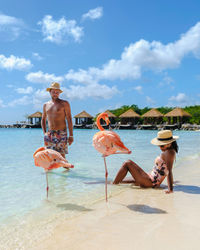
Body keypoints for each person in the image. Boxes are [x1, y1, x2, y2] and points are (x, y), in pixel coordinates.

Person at [113, 130, 179, 194]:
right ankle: (111, 186)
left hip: (150, 182)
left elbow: (169, 171)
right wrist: (172, 182)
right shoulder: (169, 151)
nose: (160, 147)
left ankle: (112, 187)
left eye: (162, 145)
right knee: (120, 181)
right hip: (148, 177)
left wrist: (170, 189)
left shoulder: (170, 153)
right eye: (159, 145)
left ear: (169, 143)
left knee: (127, 163)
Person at [41, 82, 74, 164]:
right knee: (49, 157)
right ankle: (50, 175)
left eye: (57, 92)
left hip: (61, 133)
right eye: (53, 92)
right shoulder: (46, 105)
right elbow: (43, 119)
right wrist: (45, 133)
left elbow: (69, 119)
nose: (55, 94)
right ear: (50, 92)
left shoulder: (64, 103)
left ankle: (66, 174)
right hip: (49, 134)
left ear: (59, 93)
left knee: (62, 157)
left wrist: (71, 135)